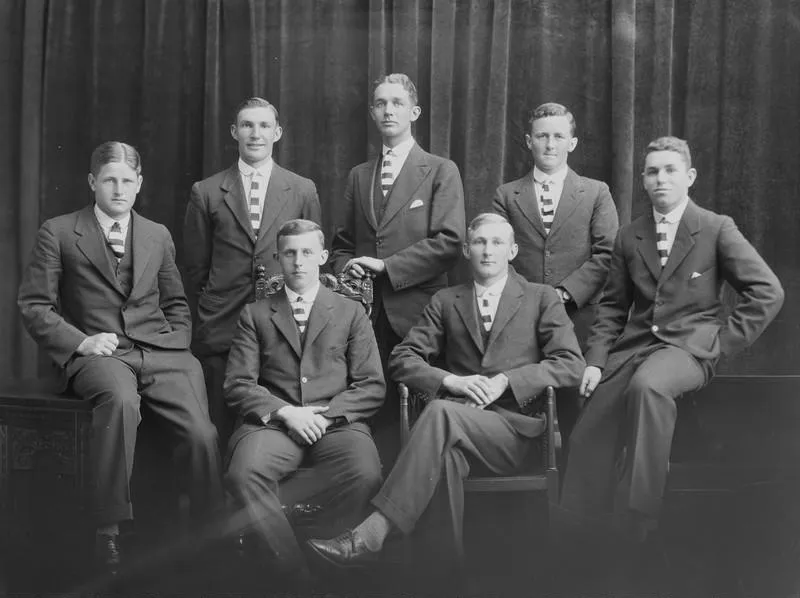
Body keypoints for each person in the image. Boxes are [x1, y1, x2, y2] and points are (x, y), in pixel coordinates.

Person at [306, 213, 584, 567]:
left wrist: (507, 381)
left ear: (512, 250)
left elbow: (570, 364)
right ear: (466, 250)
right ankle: (444, 576)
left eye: (497, 243)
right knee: (444, 460)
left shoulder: (540, 297)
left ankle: (373, 531)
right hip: (453, 431)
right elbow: (402, 359)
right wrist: (450, 381)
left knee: (438, 412)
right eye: (480, 243)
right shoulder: (446, 300)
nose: (488, 251)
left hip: (514, 431)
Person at [558, 136, 784, 543]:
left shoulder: (715, 228)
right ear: (643, 180)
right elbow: (612, 308)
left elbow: (768, 292)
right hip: (635, 349)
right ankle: (578, 533)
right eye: (652, 172)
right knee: (587, 428)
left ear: (689, 177)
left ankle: (637, 519)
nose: (660, 179)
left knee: (649, 388)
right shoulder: (629, 236)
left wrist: (720, 342)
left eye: (670, 170)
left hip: (688, 348)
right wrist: (594, 361)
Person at [17, 142, 223, 574]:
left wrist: (175, 342)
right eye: (109, 180)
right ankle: (107, 530)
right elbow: (35, 306)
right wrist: (81, 343)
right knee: (121, 402)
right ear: (93, 183)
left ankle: (209, 530)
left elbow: (177, 303)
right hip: (101, 354)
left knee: (202, 432)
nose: (119, 189)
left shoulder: (157, 234)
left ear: (140, 184)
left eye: (127, 181)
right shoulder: (59, 231)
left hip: (160, 352)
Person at [224, 219, 385, 580]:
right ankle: (294, 575)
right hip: (275, 425)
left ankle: (324, 555)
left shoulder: (350, 312)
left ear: (323, 257)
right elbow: (237, 384)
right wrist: (285, 412)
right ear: (279, 258)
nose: (298, 261)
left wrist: (326, 417)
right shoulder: (255, 314)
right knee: (243, 473)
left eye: (307, 252)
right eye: (290, 253)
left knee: (365, 473)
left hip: (337, 423)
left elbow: (372, 385)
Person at [330, 73, 465, 463]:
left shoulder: (440, 170)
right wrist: (348, 269)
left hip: (419, 315)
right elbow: (341, 245)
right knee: (371, 411)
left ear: (414, 112)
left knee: (419, 418)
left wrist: (387, 267)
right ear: (372, 112)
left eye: (397, 103)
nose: (388, 110)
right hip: (364, 317)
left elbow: (449, 242)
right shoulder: (359, 175)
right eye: (380, 103)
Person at [184, 97, 321, 446]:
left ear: (277, 133)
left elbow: (310, 261)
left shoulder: (302, 189)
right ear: (234, 132)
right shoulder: (207, 191)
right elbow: (196, 268)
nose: (255, 134)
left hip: (280, 324)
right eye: (247, 125)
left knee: (272, 425)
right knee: (220, 421)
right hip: (222, 325)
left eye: (263, 126)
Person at [493, 102, 618, 439]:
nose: (550, 144)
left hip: (580, 319)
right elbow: (497, 256)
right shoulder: (506, 195)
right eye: (542, 136)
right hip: (522, 320)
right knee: (521, 411)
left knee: (579, 414)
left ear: (572, 143)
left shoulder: (595, 192)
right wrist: (532, 300)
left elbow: (607, 254)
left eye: (558, 136)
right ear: (529, 141)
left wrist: (563, 294)